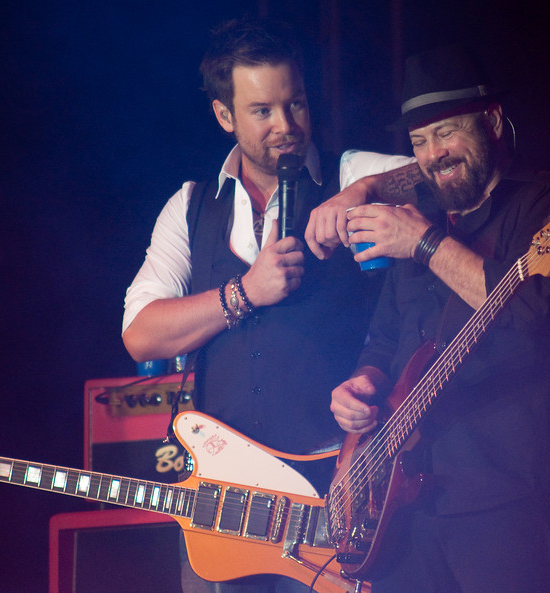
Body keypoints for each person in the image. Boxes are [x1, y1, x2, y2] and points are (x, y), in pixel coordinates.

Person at [310, 44, 550, 593]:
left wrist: (424, 243)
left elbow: (529, 311)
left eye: (446, 133)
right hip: (402, 509)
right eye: (419, 141)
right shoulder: (421, 212)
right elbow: (384, 339)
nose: (433, 154)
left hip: (502, 497)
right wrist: (362, 382)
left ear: (492, 122)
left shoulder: (543, 201)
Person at [122, 17, 378, 593]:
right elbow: (140, 333)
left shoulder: (348, 172)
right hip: (228, 503)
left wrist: (363, 191)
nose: (286, 126)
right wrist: (244, 293)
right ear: (224, 115)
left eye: (296, 104)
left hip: (331, 493)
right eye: (262, 111)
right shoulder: (191, 206)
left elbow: (434, 172)